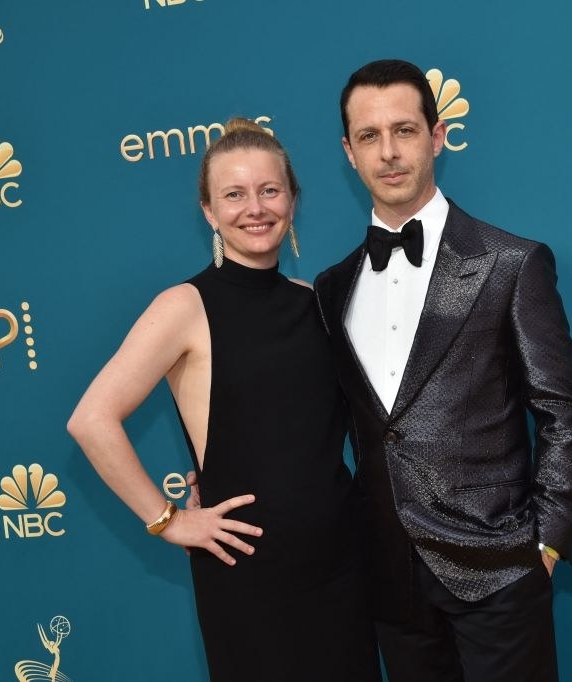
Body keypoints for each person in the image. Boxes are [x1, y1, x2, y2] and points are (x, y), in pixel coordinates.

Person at [67, 118, 380, 682]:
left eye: (269, 190)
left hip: (341, 559)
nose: (254, 208)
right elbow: (92, 420)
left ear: (292, 199)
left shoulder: (314, 301)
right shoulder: (184, 306)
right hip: (248, 574)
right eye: (233, 195)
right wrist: (168, 521)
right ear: (209, 212)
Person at [313, 60, 572, 682]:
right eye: (368, 136)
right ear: (348, 153)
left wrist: (542, 544)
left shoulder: (510, 262)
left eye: (405, 130)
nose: (388, 152)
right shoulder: (331, 289)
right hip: (389, 579)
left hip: (497, 567)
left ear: (437, 136)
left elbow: (562, 412)